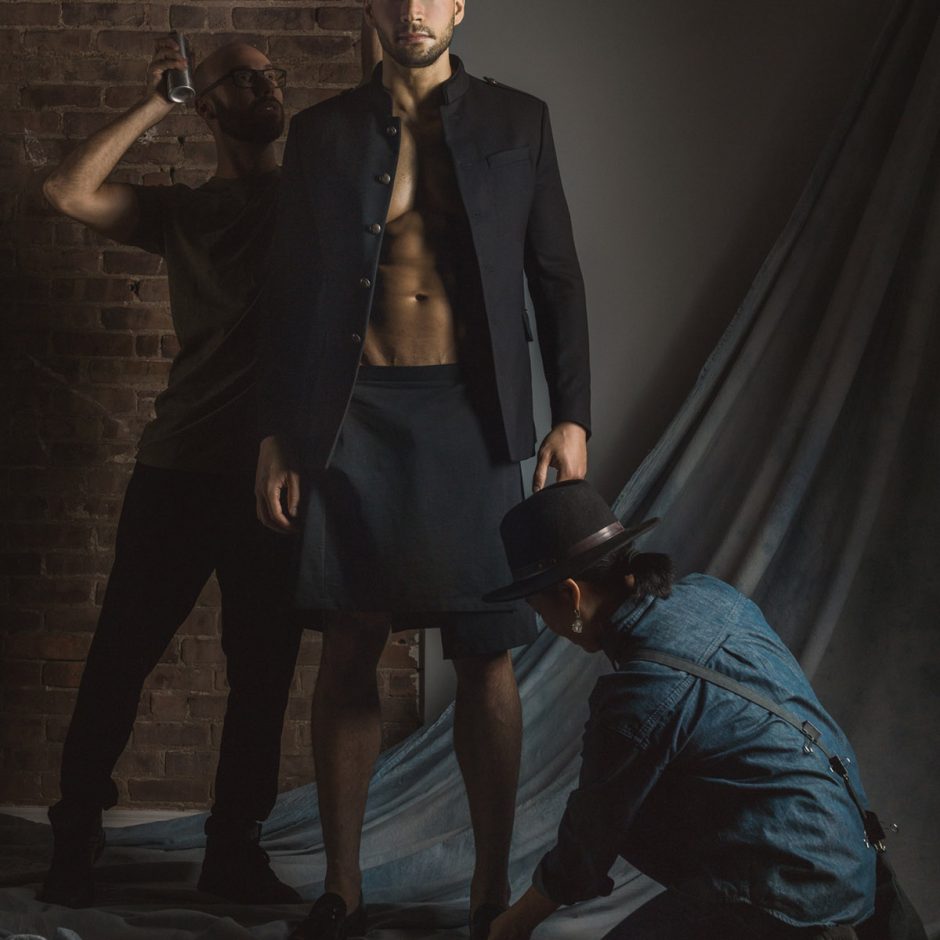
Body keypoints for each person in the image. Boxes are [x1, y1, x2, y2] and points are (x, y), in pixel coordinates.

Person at [254, 0, 591, 936]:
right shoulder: (322, 133)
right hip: (353, 413)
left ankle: (489, 892)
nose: (412, 10)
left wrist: (571, 416)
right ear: (371, 7)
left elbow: (556, 276)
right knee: (350, 640)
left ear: (460, 5)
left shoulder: (519, 121)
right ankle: (342, 889)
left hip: (471, 416)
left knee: (485, 652)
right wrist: (275, 434)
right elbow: (285, 292)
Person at [39, 35, 309, 908]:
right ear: (209, 102)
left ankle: (233, 852)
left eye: (272, 76)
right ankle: (76, 832)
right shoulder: (183, 214)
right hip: (178, 470)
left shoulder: (314, 200)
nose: (266, 88)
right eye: (244, 79)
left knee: (262, 673)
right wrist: (160, 99)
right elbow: (65, 191)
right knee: (122, 655)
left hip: (274, 479)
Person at [481, 479, 886, 940]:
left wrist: (513, 923)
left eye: (539, 608)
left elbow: (586, 842)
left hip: (798, 888)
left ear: (571, 595)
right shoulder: (713, 595)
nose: (546, 624)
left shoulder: (636, 694)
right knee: (645, 797)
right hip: (853, 854)